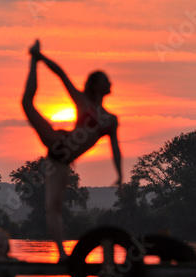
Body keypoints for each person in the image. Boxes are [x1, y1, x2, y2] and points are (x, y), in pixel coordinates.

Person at [22, 40, 123, 262]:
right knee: (27, 103)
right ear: (97, 85)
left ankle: (62, 256)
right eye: (107, 80)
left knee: (54, 207)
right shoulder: (82, 100)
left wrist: (120, 173)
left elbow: (115, 148)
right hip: (58, 142)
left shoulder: (110, 120)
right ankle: (33, 60)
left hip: (61, 162)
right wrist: (41, 58)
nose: (111, 83)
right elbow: (61, 74)